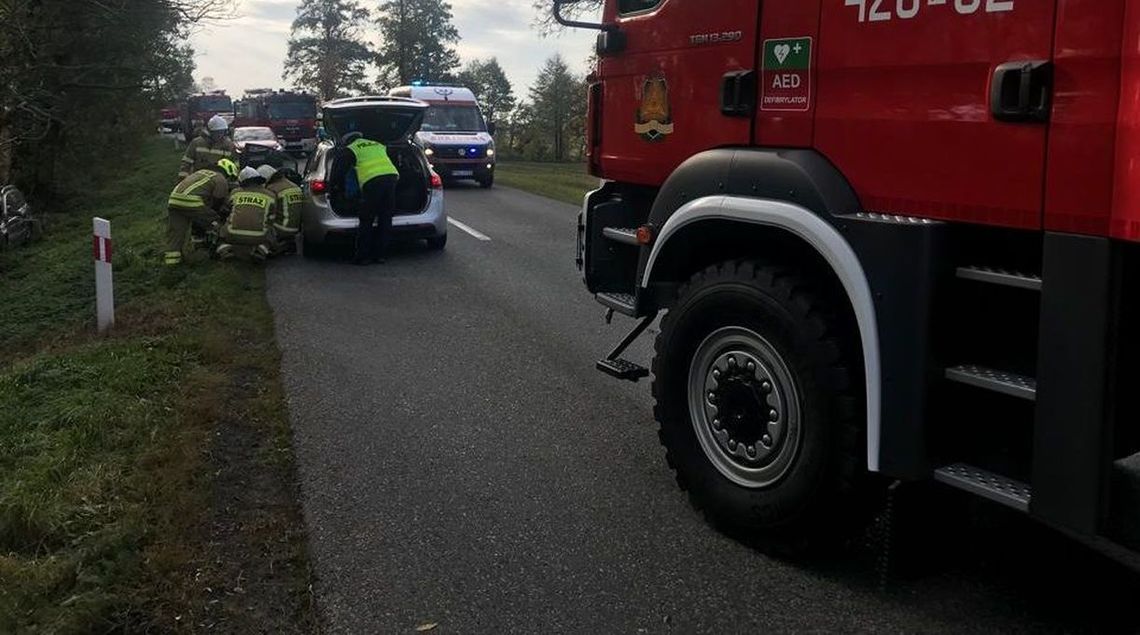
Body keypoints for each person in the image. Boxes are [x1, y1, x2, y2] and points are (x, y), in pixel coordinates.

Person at [328, 131, 399, 265]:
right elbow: (392, 159)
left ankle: (363, 257)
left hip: (372, 181)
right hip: (391, 177)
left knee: (366, 218)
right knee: (385, 217)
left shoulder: (351, 149)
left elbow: (339, 173)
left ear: (348, 141)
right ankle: (380, 255)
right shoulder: (378, 145)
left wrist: (336, 188)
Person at [165, 158, 237, 266]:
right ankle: (224, 250)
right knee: (215, 222)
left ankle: (172, 264)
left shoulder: (200, 172)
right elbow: (218, 202)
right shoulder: (220, 178)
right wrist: (218, 215)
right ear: (228, 172)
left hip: (174, 200)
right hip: (192, 202)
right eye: (230, 178)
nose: (229, 180)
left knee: (176, 233)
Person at [217, 166, 277, 262]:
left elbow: (225, 210)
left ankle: (225, 251)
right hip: (259, 237)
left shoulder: (235, 193)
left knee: (220, 227)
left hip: (233, 235)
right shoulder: (270, 195)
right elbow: (271, 219)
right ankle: (261, 251)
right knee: (272, 230)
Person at [258, 164, 304, 254]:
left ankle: (276, 247)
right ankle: (287, 242)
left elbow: (267, 212)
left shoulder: (272, 189)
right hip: (296, 229)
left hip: (281, 228)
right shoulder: (294, 186)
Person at [179, 115, 238, 180]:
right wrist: (183, 178)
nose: (219, 135)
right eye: (217, 132)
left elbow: (234, 165)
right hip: (198, 178)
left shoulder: (229, 145)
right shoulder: (197, 143)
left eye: (221, 132)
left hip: (219, 180)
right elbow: (187, 161)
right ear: (210, 131)